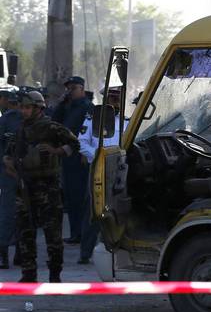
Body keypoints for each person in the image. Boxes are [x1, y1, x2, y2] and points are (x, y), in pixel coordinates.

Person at [2, 91, 80, 282]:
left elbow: (74, 143)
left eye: (27, 107)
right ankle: (29, 275)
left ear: (38, 108)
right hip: (24, 187)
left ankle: (55, 275)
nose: (24, 111)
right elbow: (10, 153)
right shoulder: (20, 129)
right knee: (25, 232)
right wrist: (9, 163)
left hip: (47, 187)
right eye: (22, 107)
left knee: (52, 234)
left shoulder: (51, 128)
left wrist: (57, 151)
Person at [77, 85, 128, 264]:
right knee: (92, 211)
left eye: (117, 97)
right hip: (97, 170)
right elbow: (81, 142)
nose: (113, 101)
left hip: (119, 171)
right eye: (111, 97)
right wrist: (98, 157)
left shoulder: (127, 121)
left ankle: (116, 251)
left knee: (118, 210)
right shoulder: (92, 119)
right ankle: (85, 252)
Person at [52, 76, 93, 244]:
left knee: (80, 197)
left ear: (82, 89)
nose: (70, 91)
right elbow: (55, 123)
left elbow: (86, 133)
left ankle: (82, 234)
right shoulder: (69, 106)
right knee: (70, 196)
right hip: (67, 156)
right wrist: (61, 104)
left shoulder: (87, 107)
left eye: (73, 88)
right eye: (68, 88)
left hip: (80, 156)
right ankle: (76, 233)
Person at [0, 91, 22, 268]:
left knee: (26, 215)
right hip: (9, 174)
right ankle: (4, 254)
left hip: (31, 175)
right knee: (7, 214)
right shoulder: (6, 120)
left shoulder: (39, 122)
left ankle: (21, 253)